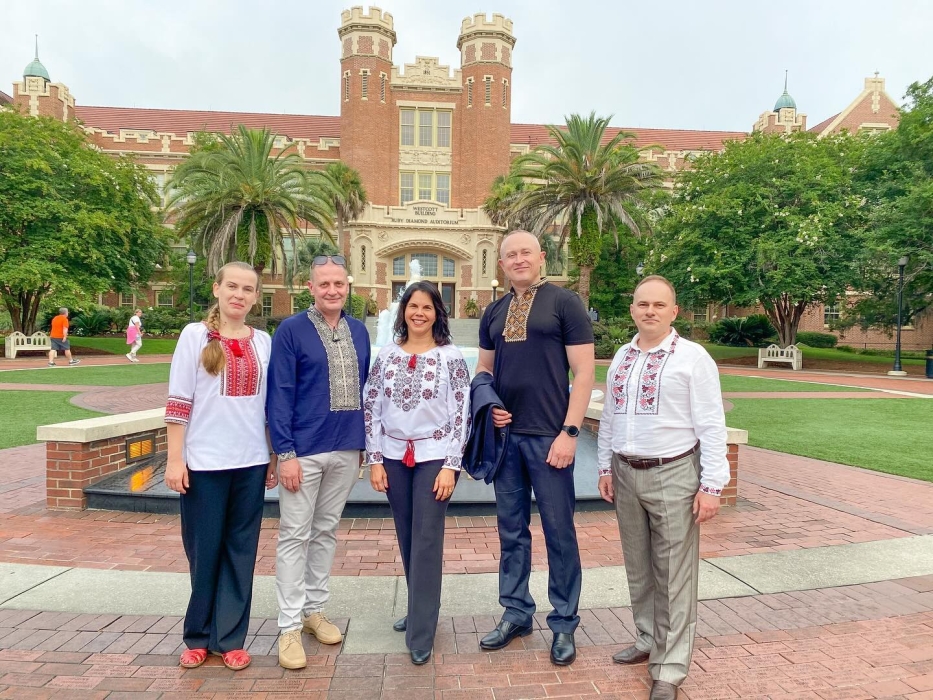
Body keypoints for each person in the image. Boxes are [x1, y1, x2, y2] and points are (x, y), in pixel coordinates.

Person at [597, 275, 730, 700]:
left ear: (674, 312)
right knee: (638, 565)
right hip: (625, 471)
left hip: (674, 472)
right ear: (632, 310)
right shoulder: (621, 356)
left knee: (674, 573)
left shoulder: (693, 358)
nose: (649, 311)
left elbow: (711, 425)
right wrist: (604, 466)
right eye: (642, 304)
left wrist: (712, 484)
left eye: (659, 304)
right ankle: (647, 638)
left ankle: (670, 668)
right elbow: (611, 416)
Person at [475, 230, 595, 666]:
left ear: (541, 257)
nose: (518, 259)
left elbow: (583, 372)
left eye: (526, 252)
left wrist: (570, 432)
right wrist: (489, 405)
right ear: (501, 264)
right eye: (510, 255)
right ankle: (516, 612)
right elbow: (483, 370)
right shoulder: (494, 310)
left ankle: (563, 622)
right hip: (507, 441)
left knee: (559, 532)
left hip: (550, 438)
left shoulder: (565, 303)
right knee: (512, 531)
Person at [164, 261, 276, 673]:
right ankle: (197, 636)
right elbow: (179, 404)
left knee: (240, 551)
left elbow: (268, 408)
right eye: (232, 286)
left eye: (248, 289)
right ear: (217, 288)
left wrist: (272, 457)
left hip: (249, 462)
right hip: (204, 463)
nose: (239, 295)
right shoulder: (195, 337)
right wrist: (176, 460)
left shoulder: (263, 342)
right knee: (203, 550)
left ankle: (229, 639)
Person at [266, 254, 371, 670]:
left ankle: (314, 611)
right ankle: (289, 627)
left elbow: (365, 390)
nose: (332, 290)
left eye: (338, 284)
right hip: (302, 452)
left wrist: (365, 446)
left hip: (346, 448)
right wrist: (285, 453)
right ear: (310, 287)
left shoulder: (359, 331)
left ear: (348, 286)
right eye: (323, 284)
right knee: (294, 535)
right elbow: (280, 393)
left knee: (326, 531)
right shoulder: (291, 330)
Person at [364, 281, 471, 665]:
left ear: (437, 313)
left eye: (427, 307)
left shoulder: (451, 357)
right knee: (407, 534)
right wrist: (375, 458)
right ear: (403, 311)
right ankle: (418, 607)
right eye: (413, 307)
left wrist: (450, 465)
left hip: (434, 457)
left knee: (426, 538)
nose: (419, 314)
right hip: (393, 456)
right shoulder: (387, 356)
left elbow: (462, 414)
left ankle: (421, 631)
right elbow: (371, 406)